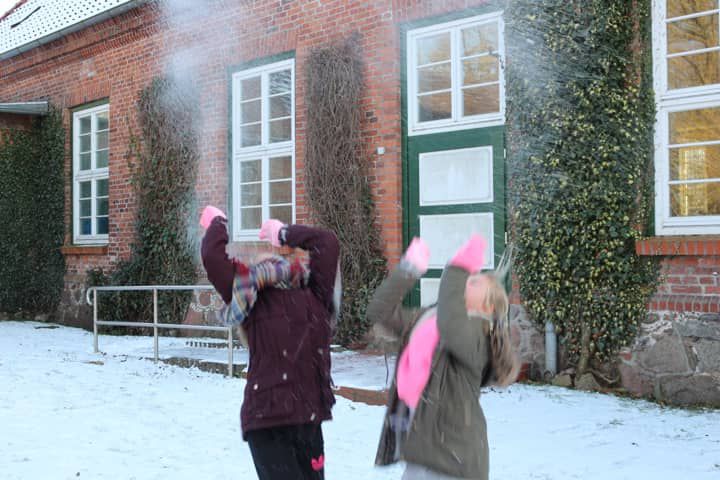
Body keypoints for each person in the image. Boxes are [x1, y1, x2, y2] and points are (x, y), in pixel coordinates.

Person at [199, 206, 340, 480]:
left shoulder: (315, 291)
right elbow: (212, 256)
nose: (271, 257)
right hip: (267, 423)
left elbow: (327, 242)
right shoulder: (249, 296)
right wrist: (217, 223)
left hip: (309, 421)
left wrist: (284, 232)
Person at [369, 235, 519, 480]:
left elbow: (452, 325)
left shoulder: (479, 335)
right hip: (421, 453)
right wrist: (409, 269)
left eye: (475, 283)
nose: (465, 281)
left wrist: (458, 267)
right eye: (467, 278)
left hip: (454, 460)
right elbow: (379, 311)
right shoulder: (429, 320)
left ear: (488, 307)